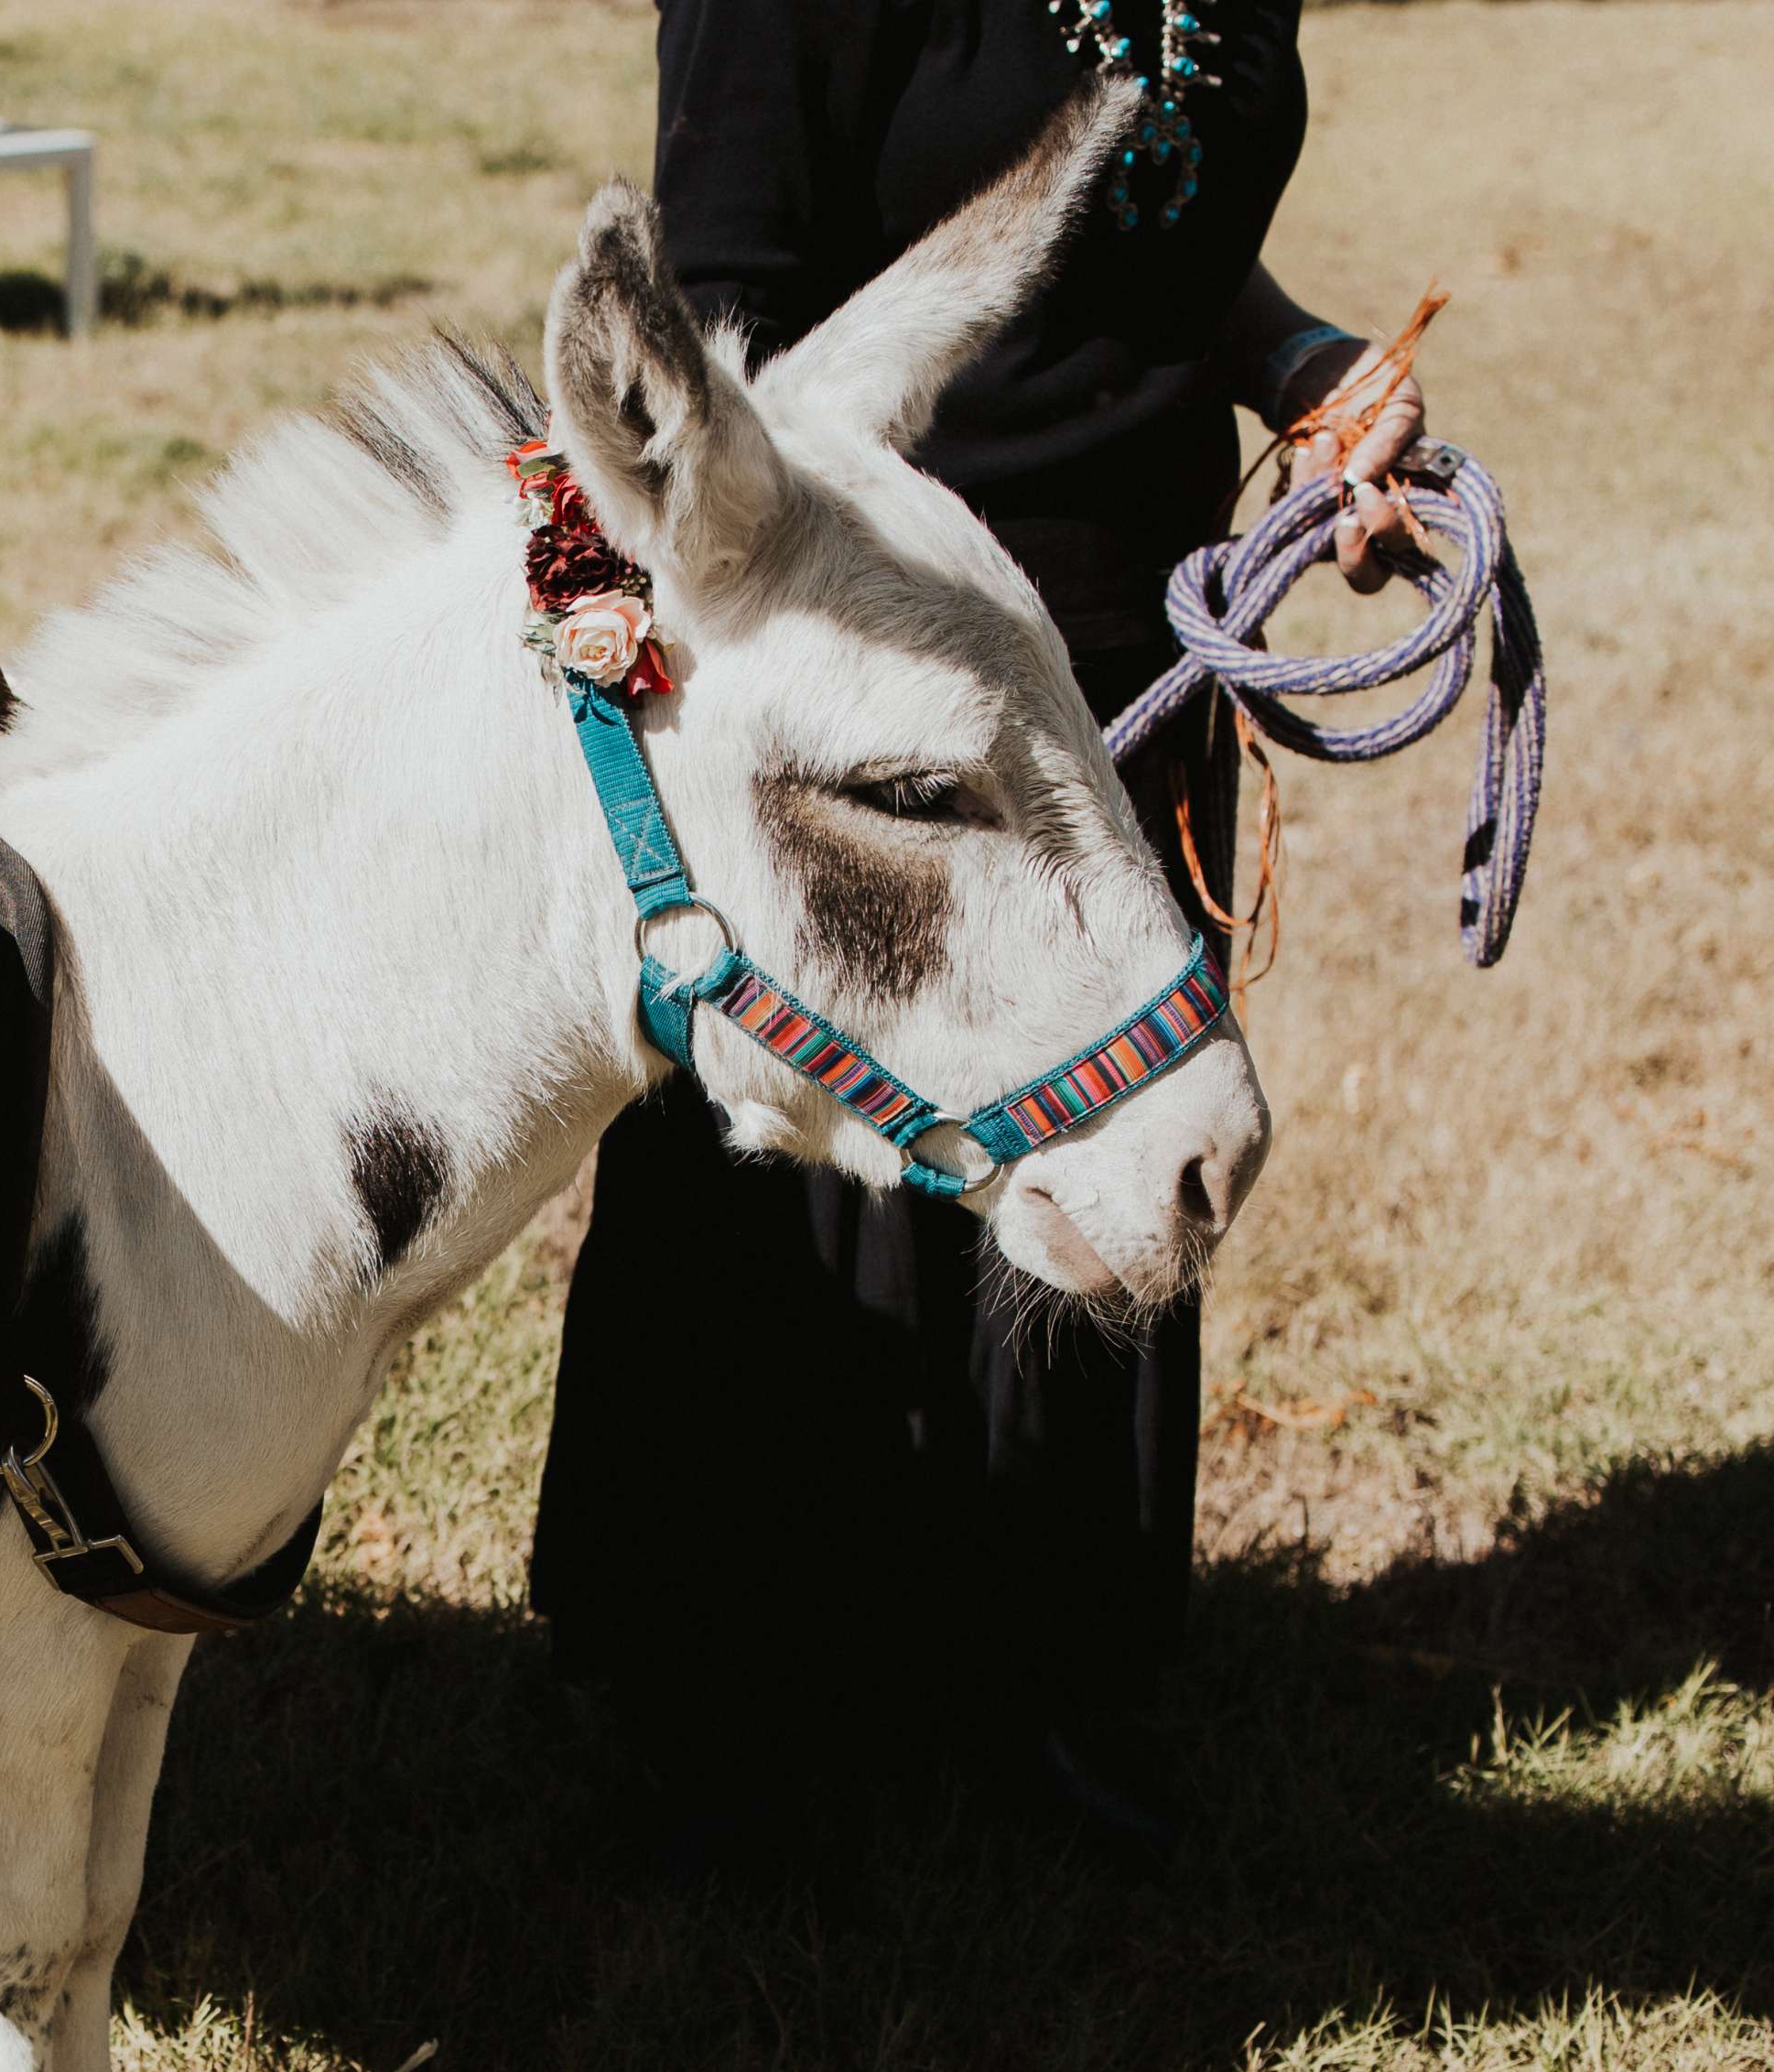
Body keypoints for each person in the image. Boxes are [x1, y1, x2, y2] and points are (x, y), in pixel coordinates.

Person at [530, 0, 1430, 1871]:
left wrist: (1298, 362)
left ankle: (1041, 1675)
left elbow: (1151, 223)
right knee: (813, 1187)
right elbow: (719, 333)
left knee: (1105, 1132)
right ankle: (737, 1701)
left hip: (1114, 663)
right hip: (874, 706)